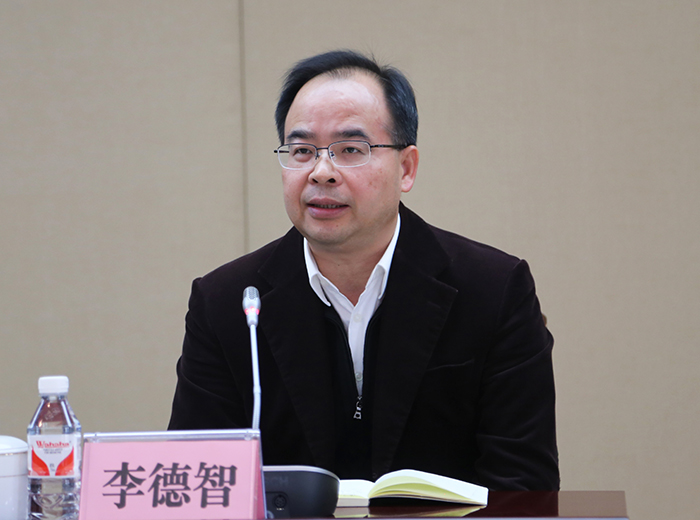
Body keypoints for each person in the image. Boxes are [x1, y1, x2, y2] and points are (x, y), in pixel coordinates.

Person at [168, 50, 559, 490]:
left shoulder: (493, 290)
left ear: (406, 168)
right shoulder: (227, 302)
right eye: (302, 151)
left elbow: (524, 488)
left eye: (350, 150)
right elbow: (196, 485)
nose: (321, 172)